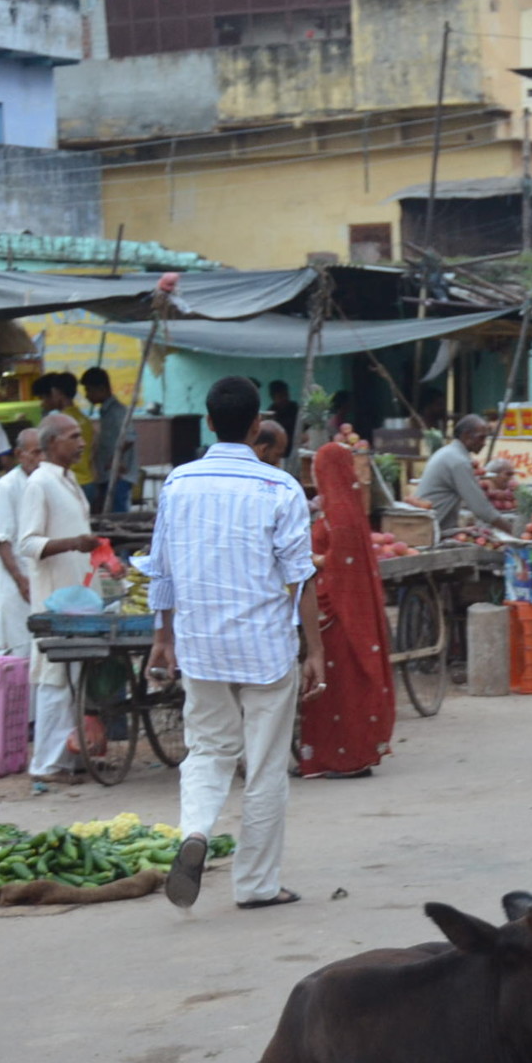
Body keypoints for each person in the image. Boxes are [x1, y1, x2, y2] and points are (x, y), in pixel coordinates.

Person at [144, 378, 325, 910]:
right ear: (256, 425)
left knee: (207, 750)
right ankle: (256, 884)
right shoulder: (280, 488)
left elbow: (161, 569)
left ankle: (196, 831)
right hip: (265, 646)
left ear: (208, 422)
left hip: (201, 643)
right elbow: (300, 577)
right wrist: (315, 650)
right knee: (265, 765)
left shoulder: (178, 483)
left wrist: (162, 636)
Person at [298, 441, 394, 779]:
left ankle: (351, 756)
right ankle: (328, 755)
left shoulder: (340, 513)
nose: (313, 475)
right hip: (333, 607)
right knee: (334, 686)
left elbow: (338, 563)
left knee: (343, 686)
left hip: (338, 611)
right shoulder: (338, 507)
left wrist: (307, 560)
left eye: (318, 469)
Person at [16, 413, 100, 783]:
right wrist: (73, 544)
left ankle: (68, 759)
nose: (81, 443)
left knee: (73, 680)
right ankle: (46, 765)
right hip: (54, 600)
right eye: (73, 437)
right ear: (52, 443)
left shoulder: (69, 482)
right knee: (55, 679)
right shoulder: (39, 483)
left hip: (78, 597)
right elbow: (28, 543)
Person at [0, 431, 39, 657]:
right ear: (19, 454)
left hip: (39, 576)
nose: (41, 459)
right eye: (35, 453)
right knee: (21, 647)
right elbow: (2, 540)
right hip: (17, 578)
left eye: (44, 453)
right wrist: (20, 579)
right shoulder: (7, 487)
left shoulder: (44, 482)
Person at [418, 414, 513, 535]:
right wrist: (512, 531)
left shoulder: (449, 452)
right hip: (431, 529)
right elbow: (481, 508)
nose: (484, 443)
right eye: (481, 438)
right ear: (466, 435)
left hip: (432, 525)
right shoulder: (458, 461)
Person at [83, 366, 137, 514]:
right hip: (106, 475)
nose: (87, 395)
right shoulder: (105, 411)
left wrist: (114, 459)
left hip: (118, 476)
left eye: (89, 390)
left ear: (101, 388)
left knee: (118, 516)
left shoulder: (118, 411)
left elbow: (130, 438)